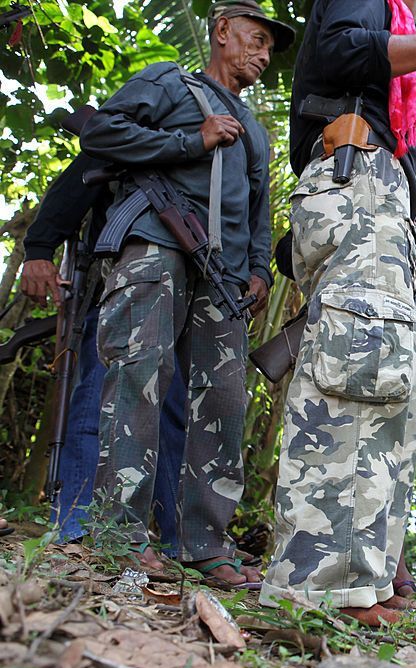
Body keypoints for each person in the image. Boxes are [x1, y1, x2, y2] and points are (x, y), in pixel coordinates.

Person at [259, 0, 416, 626]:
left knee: (386, 388)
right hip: (356, 175)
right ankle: (317, 586)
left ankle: (362, 583)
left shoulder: (400, 29)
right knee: (354, 372)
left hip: (380, 191)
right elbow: (338, 50)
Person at [79, 0, 295, 586]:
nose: (263, 53)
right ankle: (117, 537)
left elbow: (257, 208)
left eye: (270, 48)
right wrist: (189, 142)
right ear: (222, 32)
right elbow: (100, 132)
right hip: (155, 243)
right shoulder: (169, 84)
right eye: (256, 39)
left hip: (221, 273)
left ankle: (207, 543)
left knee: (224, 400)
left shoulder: (255, 130)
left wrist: (258, 268)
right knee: (139, 380)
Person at [19, 154, 186, 548]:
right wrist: (39, 248)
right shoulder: (135, 121)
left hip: (180, 298)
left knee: (174, 415)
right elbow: (78, 181)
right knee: (98, 399)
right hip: (114, 284)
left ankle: (175, 540)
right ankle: (75, 524)